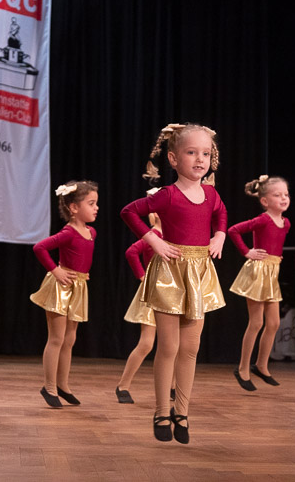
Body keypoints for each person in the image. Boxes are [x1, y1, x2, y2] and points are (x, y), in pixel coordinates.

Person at [120, 123, 226, 444]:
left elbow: (221, 213)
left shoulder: (211, 194)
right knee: (169, 347)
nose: (200, 159)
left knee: (191, 348)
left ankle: (182, 411)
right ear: (173, 158)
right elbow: (129, 212)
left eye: (205, 153)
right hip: (170, 273)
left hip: (199, 272)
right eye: (191, 152)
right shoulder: (167, 195)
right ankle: (161, 411)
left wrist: (219, 236)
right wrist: (153, 240)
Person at [30, 180, 98, 408]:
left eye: (96, 203)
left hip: (78, 287)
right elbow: (39, 248)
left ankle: (63, 385)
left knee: (70, 339)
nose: (96, 208)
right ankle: (49, 386)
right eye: (91, 203)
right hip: (61, 288)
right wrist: (56, 270)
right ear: (74, 208)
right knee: (57, 339)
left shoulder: (91, 232)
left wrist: (82, 274)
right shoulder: (68, 232)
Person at [228, 175, 290, 391]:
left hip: (272, 272)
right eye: (277, 195)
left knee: (273, 323)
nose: (283, 198)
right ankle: (243, 368)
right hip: (258, 272)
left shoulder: (286, 223)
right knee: (256, 323)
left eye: (286, 194)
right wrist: (247, 252)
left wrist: (276, 257)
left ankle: (261, 366)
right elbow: (233, 230)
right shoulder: (263, 219)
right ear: (264, 201)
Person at [115, 188, 166, 404]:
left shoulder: (171, 235)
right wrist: (143, 276)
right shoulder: (154, 235)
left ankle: (172, 386)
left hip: (170, 293)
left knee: (172, 344)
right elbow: (131, 252)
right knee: (146, 343)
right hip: (153, 293)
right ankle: (123, 385)